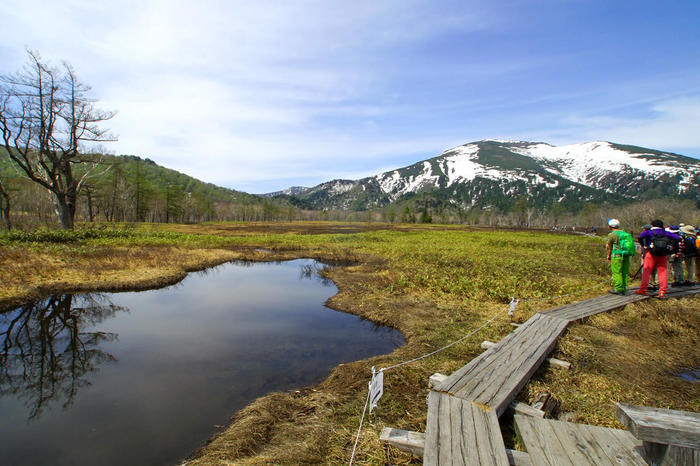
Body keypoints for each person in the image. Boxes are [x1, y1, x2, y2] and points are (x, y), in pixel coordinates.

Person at [637, 219, 681, 298]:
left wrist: (644, 245)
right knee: (662, 272)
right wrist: (671, 246)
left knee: (646, 271)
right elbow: (678, 238)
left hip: (650, 253)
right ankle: (662, 291)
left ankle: (643, 289)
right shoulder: (666, 232)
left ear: (652, 225)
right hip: (663, 254)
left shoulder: (649, 232)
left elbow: (640, 237)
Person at [606, 218, 634, 295]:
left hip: (617, 256)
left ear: (610, 226)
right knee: (624, 272)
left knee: (617, 272)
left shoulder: (612, 235)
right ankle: (624, 288)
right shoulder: (625, 233)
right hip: (626, 255)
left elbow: (608, 246)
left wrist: (608, 255)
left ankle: (618, 289)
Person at [637, 224, 657, 289]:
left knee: (646, 269)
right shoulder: (654, 235)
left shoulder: (644, 236)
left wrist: (643, 253)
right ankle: (655, 283)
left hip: (646, 254)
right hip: (654, 254)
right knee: (654, 269)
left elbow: (643, 245)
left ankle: (648, 284)